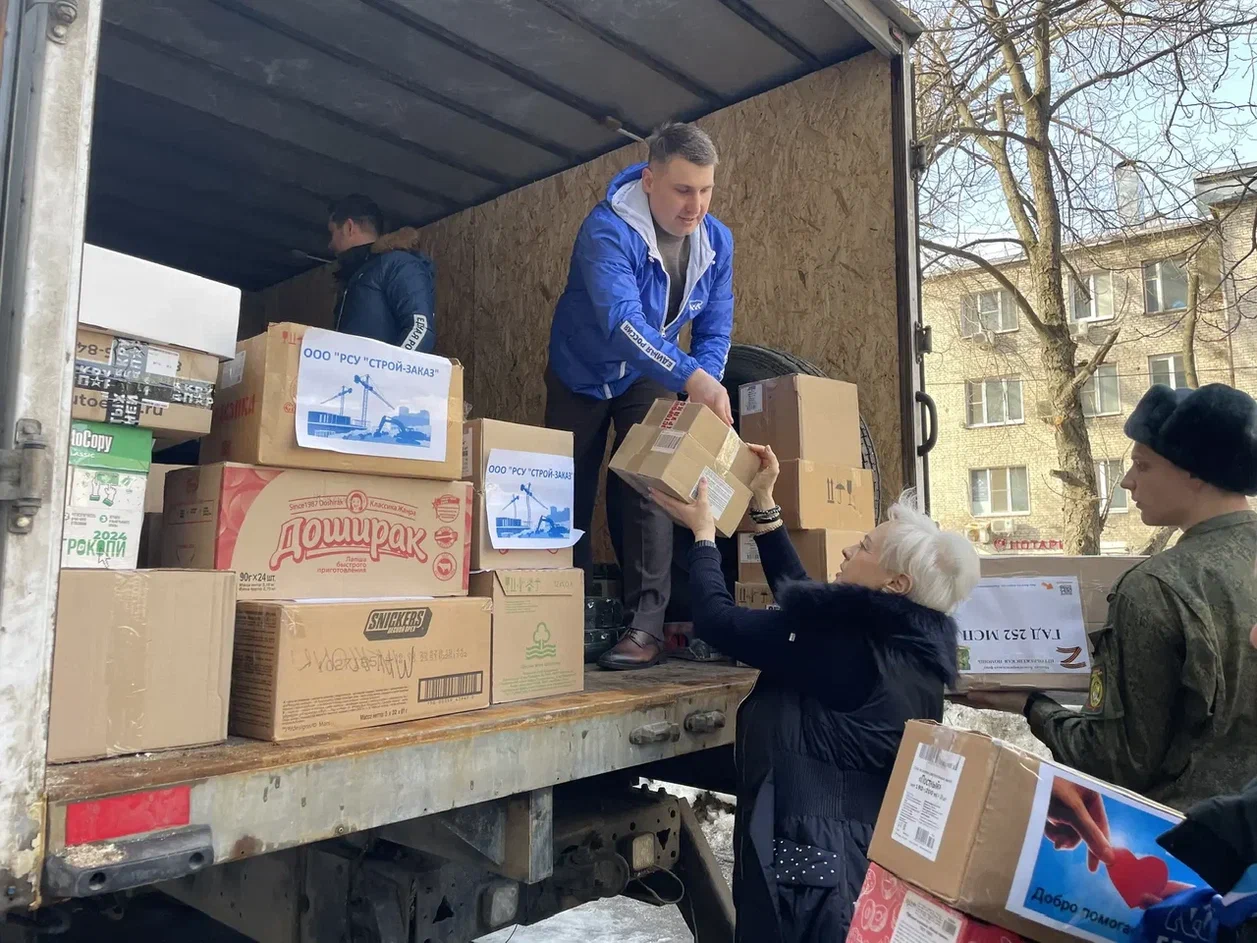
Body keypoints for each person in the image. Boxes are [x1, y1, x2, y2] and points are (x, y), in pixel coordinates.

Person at [653, 444, 979, 943]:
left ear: (896, 583)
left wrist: (702, 537)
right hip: (851, 856)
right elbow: (807, 608)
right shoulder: (909, 646)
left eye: (864, 547)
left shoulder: (844, 647)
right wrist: (765, 506)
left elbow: (718, 621)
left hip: (811, 877)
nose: (848, 551)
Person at [966, 383, 1257, 812]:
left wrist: (1031, 705)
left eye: (1143, 465)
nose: (1127, 481)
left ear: (1195, 472)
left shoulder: (1156, 587)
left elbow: (1115, 762)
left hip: (1188, 838)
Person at [545, 121, 735, 670]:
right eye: (682, 190)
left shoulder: (717, 241)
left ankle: (645, 629)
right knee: (567, 492)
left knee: (651, 482)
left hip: (649, 372)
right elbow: (622, 323)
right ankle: (564, 616)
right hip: (581, 370)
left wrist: (706, 379)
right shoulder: (606, 229)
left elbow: (715, 328)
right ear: (650, 181)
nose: (695, 206)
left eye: (706, 190)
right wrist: (691, 376)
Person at [327, 195, 437, 352]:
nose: (330, 244)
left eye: (332, 233)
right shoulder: (354, 280)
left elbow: (420, 329)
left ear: (349, 227)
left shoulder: (398, 264)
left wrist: (392, 367)